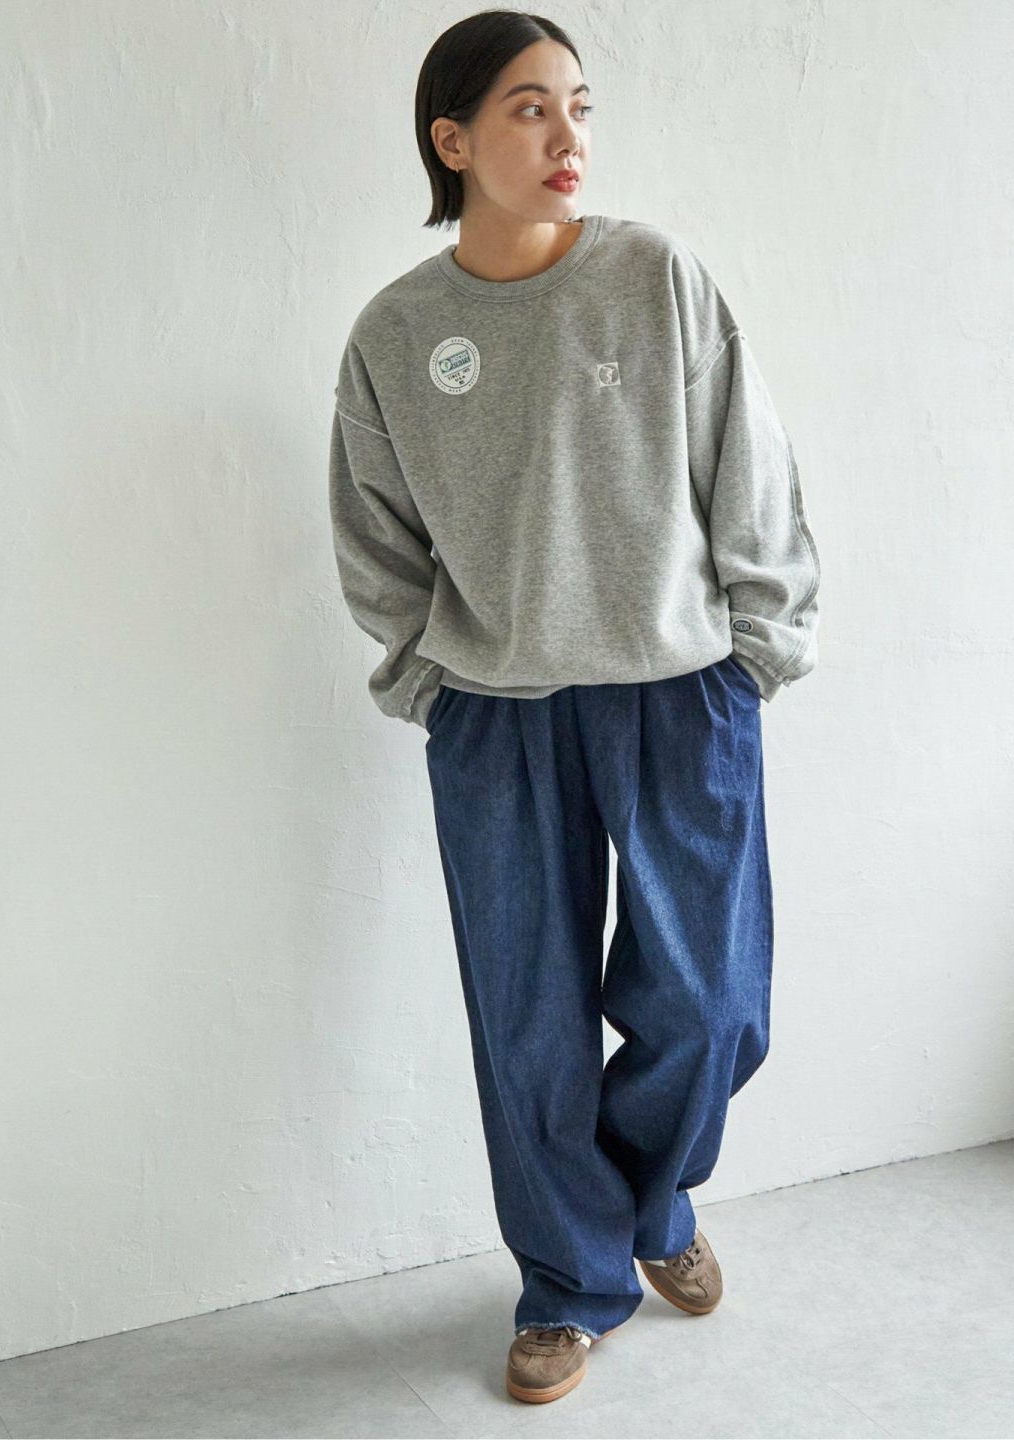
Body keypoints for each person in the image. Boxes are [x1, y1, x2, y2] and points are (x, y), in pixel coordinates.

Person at [327, 9, 821, 1407]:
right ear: (453, 139)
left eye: (579, 107)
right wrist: (427, 678)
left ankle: (649, 1207)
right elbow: (374, 535)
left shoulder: (654, 277)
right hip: (497, 716)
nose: (567, 137)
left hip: (678, 695)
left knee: (712, 1007)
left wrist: (758, 649)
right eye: (530, 108)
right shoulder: (397, 332)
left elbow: (749, 467)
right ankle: (569, 1279)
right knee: (527, 1021)